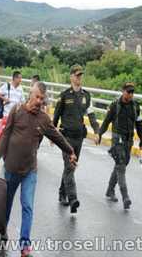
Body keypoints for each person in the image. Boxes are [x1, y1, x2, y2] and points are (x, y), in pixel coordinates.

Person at [0, 82, 77, 257]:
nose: (39, 101)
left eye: (42, 98)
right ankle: (3, 230)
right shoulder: (17, 111)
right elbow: (5, 136)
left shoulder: (44, 119)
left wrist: (70, 151)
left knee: (27, 206)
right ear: (31, 94)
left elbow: (57, 136)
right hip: (11, 168)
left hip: (30, 170)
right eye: (37, 97)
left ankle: (24, 244)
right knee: (6, 204)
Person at [53, 64, 99, 213]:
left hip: (79, 138)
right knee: (70, 167)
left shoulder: (86, 96)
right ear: (71, 76)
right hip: (65, 137)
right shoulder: (65, 95)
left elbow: (91, 115)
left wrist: (97, 131)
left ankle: (61, 192)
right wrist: (52, 135)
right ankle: (72, 199)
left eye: (81, 75)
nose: (79, 78)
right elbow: (56, 116)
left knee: (69, 168)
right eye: (77, 75)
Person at [97, 82, 142, 209]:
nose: (130, 94)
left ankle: (109, 190)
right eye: (128, 92)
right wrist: (100, 134)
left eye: (132, 92)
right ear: (122, 91)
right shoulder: (115, 105)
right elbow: (107, 121)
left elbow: (139, 124)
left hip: (129, 141)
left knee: (121, 165)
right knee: (121, 167)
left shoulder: (135, 106)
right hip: (117, 140)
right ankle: (125, 197)